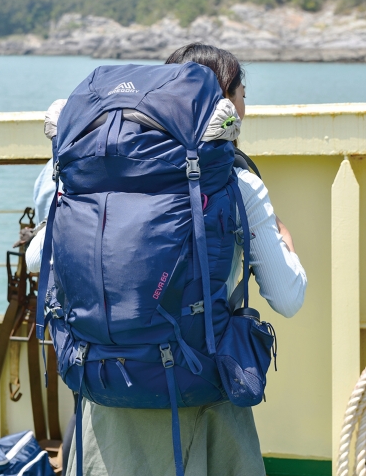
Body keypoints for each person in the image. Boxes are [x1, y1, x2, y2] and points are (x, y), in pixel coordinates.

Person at [26, 43, 307, 476]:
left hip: (103, 393)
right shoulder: (237, 183)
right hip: (201, 398)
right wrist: (284, 241)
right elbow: (288, 298)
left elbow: (34, 260)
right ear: (224, 104)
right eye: (242, 94)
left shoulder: (70, 169)